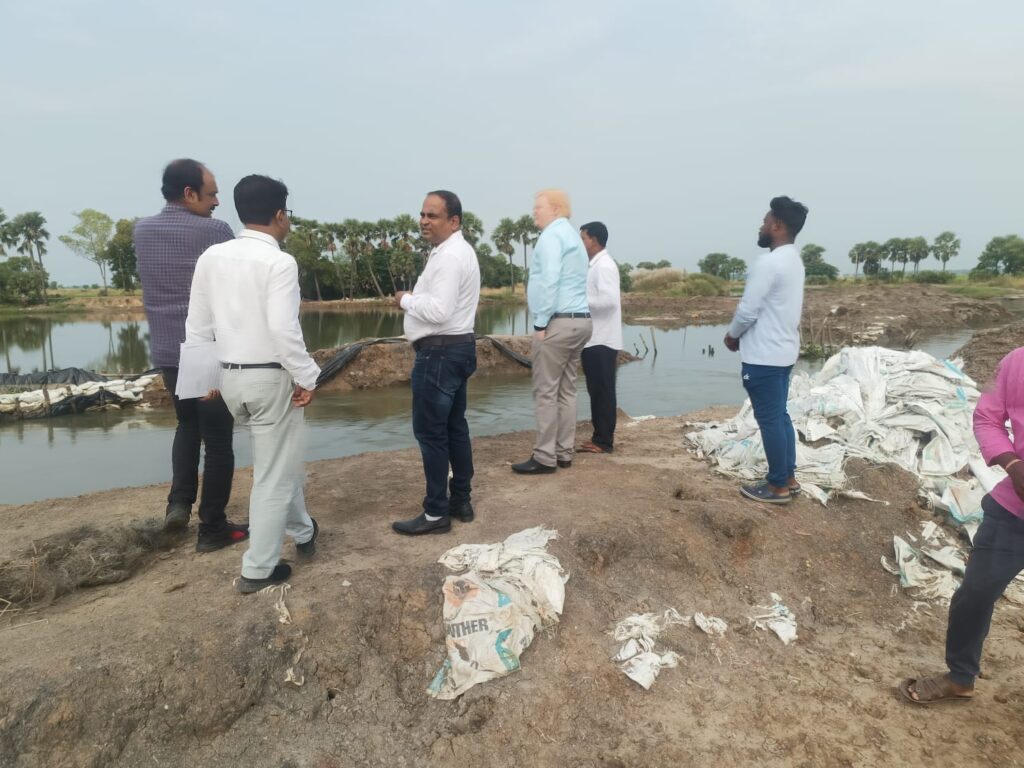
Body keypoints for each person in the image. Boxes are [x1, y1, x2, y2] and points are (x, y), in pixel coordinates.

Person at [184, 175, 320, 593]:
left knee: (278, 460)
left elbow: (197, 325)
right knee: (272, 475)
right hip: (269, 378)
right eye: (287, 214)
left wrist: (203, 379)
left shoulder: (211, 256)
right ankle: (258, 569)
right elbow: (284, 330)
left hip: (230, 380)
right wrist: (308, 375)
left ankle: (303, 530)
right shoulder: (280, 262)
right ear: (280, 215)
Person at [899, 347, 1024, 704]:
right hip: (1014, 510)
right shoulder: (1016, 363)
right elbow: (986, 418)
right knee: (975, 594)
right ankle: (960, 676)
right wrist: (1013, 465)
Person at [134, 158, 247, 552]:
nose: (217, 202)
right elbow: (236, 288)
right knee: (217, 439)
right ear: (189, 193)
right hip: (208, 350)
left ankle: (179, 504)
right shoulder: (215, 231)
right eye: (211, 193)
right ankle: (213, 525)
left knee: (186, 425)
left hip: (168, 351)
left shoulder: (142, 230)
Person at [392, 191, 481, 536]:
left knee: (431, 433)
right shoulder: (456, 251)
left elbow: (439, 311)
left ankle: (435, 513)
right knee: (455, 427)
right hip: (457, 348)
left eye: (433, 216)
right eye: (422, 214)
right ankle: (460, 500)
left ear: (453, 221)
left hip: (440, 354)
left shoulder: (450, 256)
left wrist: (406, 300)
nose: (424, 221)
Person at [723, 196, 808, 504]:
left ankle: (777, 486)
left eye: (765, 221)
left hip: (763, 356)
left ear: (777, 226)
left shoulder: (769, 263)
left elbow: (748, 310)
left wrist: (732, 336)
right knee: (780, 416)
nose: (761, 226)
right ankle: (788, 477)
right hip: (783, 353)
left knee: (770, 419)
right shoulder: (793, 260)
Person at [512, 190, 592, 475]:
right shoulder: (572, 236)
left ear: (556, 209)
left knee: (546, 391)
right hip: (581, 321)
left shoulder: (551, 236)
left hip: (558, 322)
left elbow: (549, 280)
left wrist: (540, 323)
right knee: (567, 390)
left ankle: (545, 457)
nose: (534, 212)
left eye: (538, 207)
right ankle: (563, 452)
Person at [578, 221, 622, 454]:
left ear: (593, 240)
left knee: (603, 391)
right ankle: (599, 437)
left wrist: (579, 301)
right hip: (594, 338)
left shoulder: (604, 266)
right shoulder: (595, 265)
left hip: (602, 339)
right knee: (596, 390)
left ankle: (604, 441)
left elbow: (609, 301)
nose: (581, 243)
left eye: (583, 238)